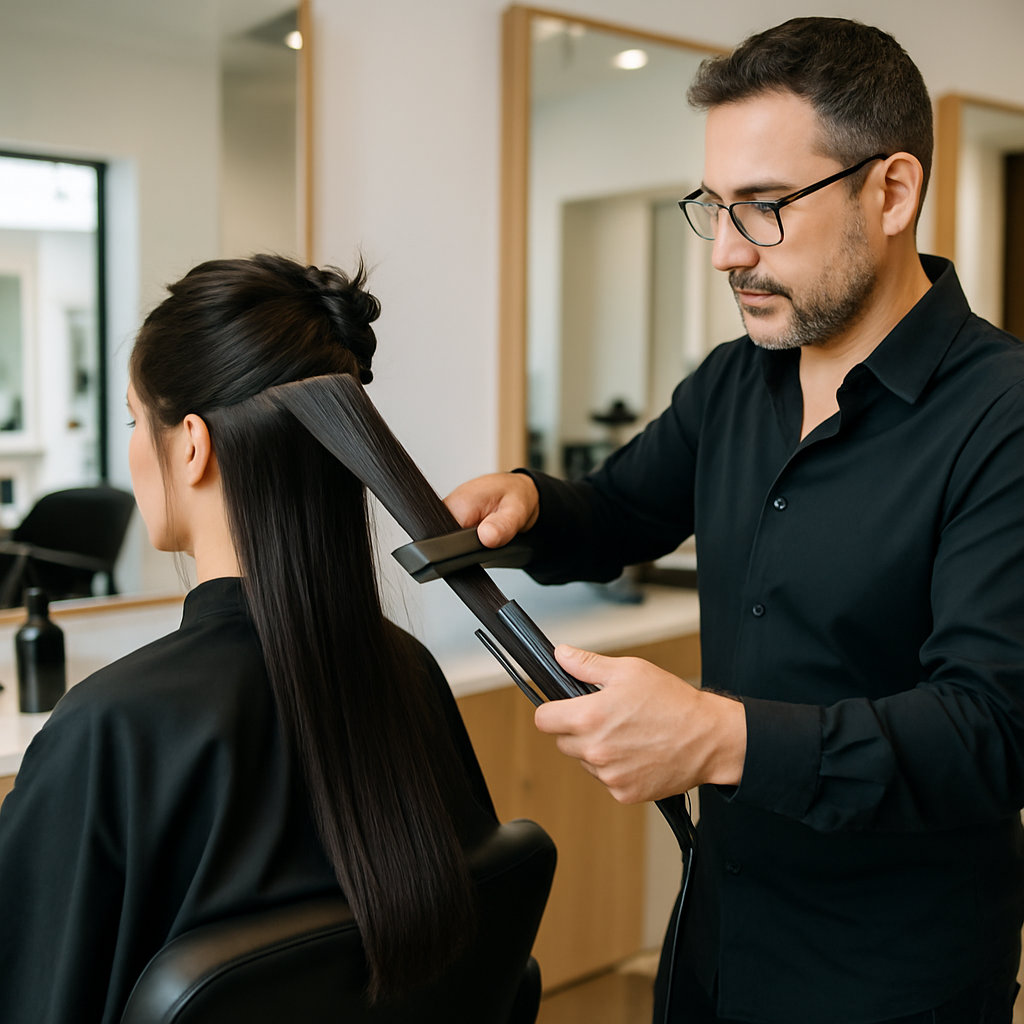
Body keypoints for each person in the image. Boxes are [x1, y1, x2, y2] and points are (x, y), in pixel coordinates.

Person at [446, 16, 1024, 1024]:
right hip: (717, 938)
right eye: (712, 208)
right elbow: (621, 510)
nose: (722, 253)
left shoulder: (1002, 417)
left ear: (890, 191)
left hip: (891, 976)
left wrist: (720, 738)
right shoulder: (732, 383)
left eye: (760, 209)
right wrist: (535, 503)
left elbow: (993, 728)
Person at [0, 254, 497, 1024]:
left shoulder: (114, 730)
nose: (137, 446)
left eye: (137, 420)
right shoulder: (409, 674)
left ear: (192, 444)